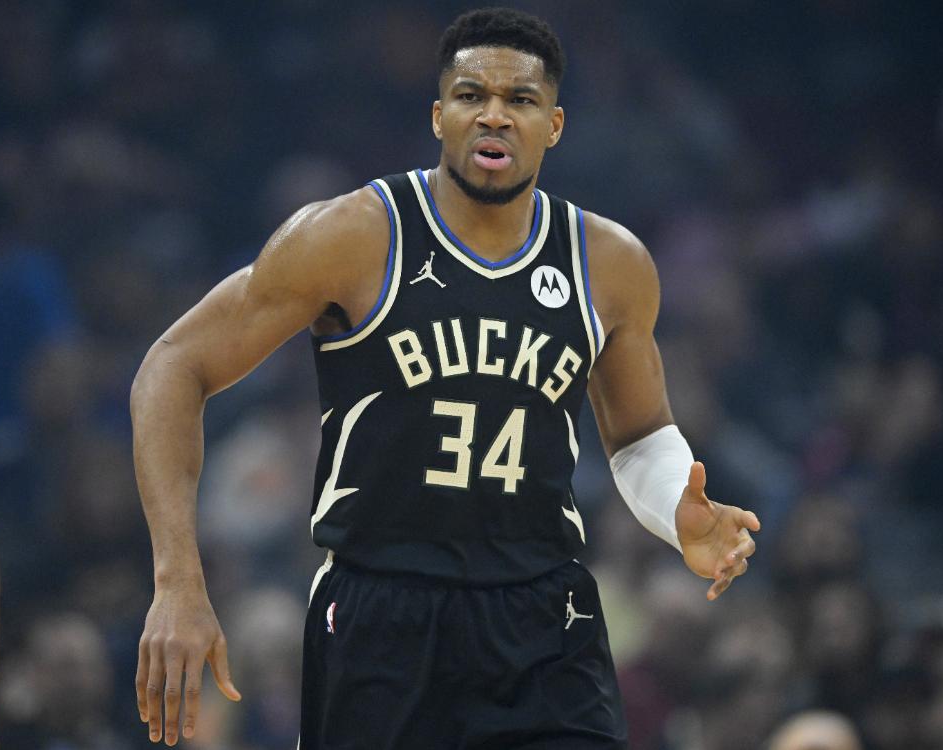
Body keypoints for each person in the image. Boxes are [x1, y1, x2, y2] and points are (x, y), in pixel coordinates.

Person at [131, 8, 760, 748]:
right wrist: (176, 581)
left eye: (520, 99)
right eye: (471, 96)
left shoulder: (609, 262)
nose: (494, 115)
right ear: (439, 116)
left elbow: (640, 436)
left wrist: (676, 508)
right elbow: (173, 365)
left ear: (554, 126)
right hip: (382, 610)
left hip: (543, 615)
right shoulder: (353, 235)